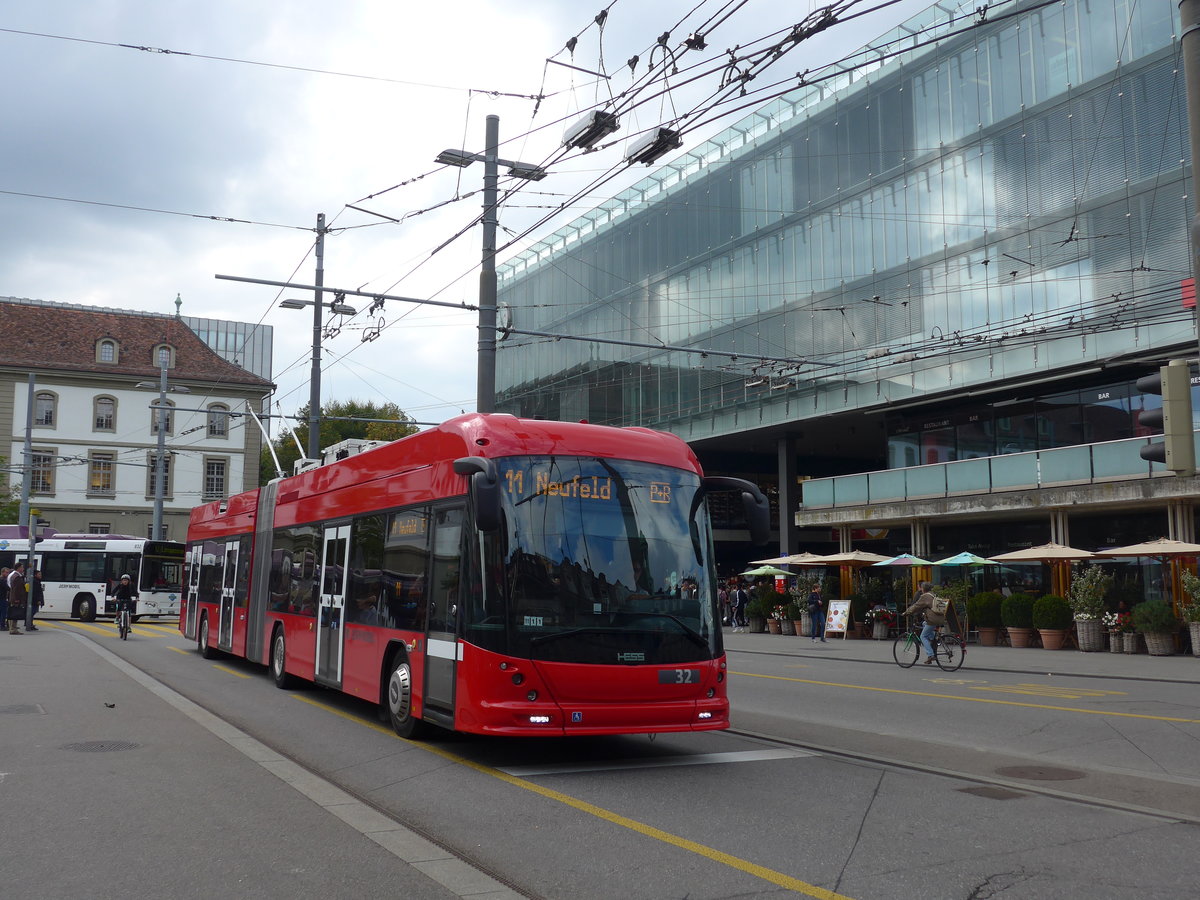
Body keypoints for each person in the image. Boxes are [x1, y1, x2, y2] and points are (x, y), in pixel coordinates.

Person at [903, 581, 947, 665]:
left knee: (922, 636)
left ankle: (931, 655)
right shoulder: (933, 594)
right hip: (939, 618)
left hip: (932, 620)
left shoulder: (925, 596)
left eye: (921, 588)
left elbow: (916, 606)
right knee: (924, 624)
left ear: (923, 589)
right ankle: (933, 637)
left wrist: (906, 612)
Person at [7, 562, 28, 635]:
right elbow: (16, 589)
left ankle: (12, 628)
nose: (23, 569)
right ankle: (13, 629)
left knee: (13, 612)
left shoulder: (13, 575)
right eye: (22, 567)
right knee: (14, 613)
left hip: (13, 597)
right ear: (18, 568)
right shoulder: (16, 577)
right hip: (16, 598)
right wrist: (16, 599)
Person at [0, 566, 10, 632]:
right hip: (2, 598)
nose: (7, 574)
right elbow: (8, 588)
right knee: (3, 613)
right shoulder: (2, 580)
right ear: (2, 572)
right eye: (6, 572)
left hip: (2, 597)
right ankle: (2, 626)